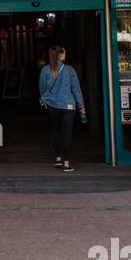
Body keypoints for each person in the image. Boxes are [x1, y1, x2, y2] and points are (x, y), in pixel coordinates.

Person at [39, 45, 86, 173]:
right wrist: (81, 106)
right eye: (64, 51)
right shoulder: (69, 70)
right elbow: (76, 89)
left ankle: (58, 158)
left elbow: (42, 88)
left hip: (53, 106)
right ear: (61, 54)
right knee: (67, 134)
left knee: (56, 131)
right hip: (68, 106)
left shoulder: (45, 70)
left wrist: (46, 100)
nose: (66, 53)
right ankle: (66, 163)